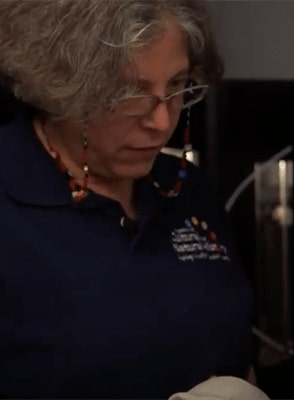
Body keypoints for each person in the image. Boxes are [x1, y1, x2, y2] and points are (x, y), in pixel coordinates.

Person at [0, 1, 262, 398]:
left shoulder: (187, 189)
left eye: (176, 86)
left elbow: (236, 351)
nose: (161, 122)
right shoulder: (10, 194)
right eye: (129, 92)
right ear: (61, 87)